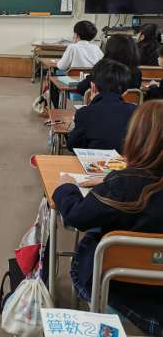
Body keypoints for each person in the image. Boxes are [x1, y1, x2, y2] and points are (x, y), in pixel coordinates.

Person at [54, 100, 163, 336]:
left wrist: (65, 187)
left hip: (119, 291)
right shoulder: (124, 182)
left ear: (137, 138)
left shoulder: (125, 184)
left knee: (97, 235)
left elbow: (77, 216)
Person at [67, 59, 136, 154]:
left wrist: (93, 104)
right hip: (128, 161)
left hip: (94, 162)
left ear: (93, 87)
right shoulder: (136, 112)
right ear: (125, 91)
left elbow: (72, 145)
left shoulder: (85, 113)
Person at [76, 34, 141, 97]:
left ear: (109, 50)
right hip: (130, 104)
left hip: (100, 104)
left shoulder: (103, 69)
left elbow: (81, 88)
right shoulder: (136, 72)